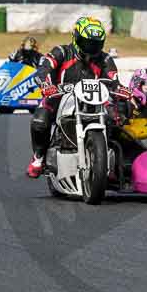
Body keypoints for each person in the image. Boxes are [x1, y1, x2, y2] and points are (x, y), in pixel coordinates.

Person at [26, 16, 119, 178]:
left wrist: (118, 91)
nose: (92, 48)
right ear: (76, 38)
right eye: (87, 42)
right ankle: (38, 157)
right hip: (60, 96)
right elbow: (45, 67)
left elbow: (113, 80)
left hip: (94, 101)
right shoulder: (61, 52)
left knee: (116, 116)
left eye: (96, 43)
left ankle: (110, 160)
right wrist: (46, 84)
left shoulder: (105, 59)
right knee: (40, 120)